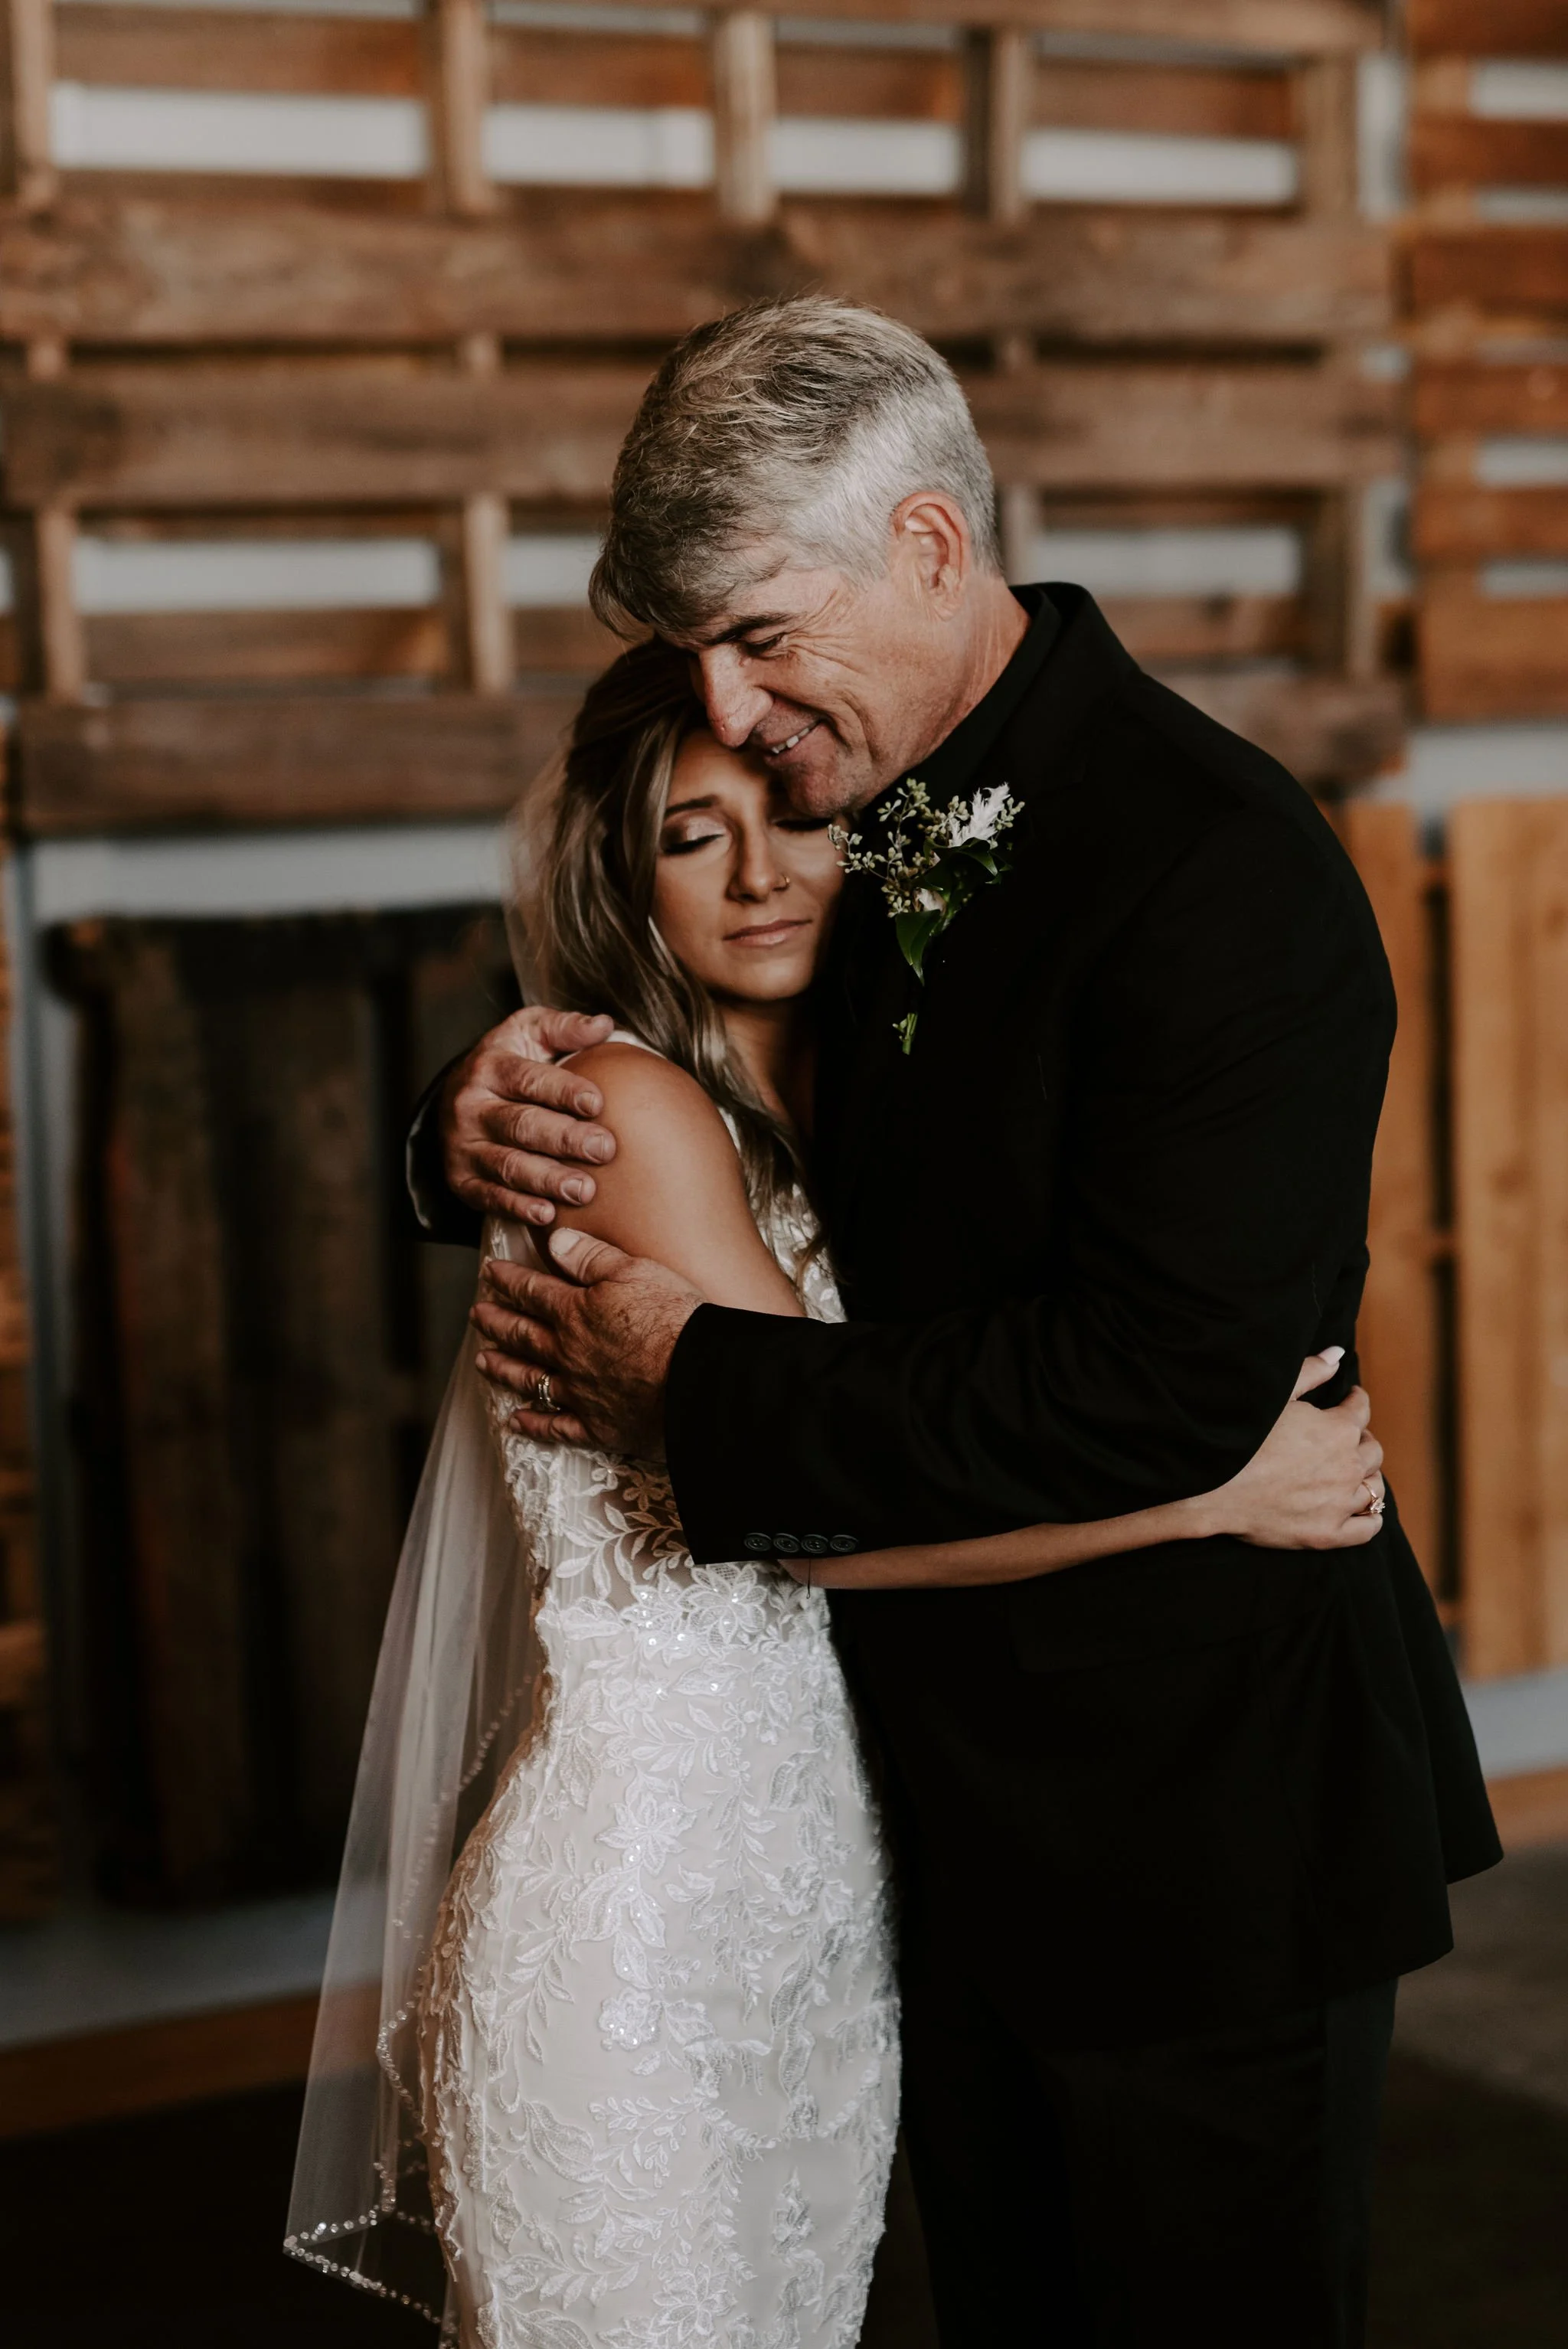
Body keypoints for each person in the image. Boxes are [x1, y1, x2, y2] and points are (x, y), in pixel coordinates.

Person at [408, 299, 1500, 2348]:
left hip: (1188, 1835)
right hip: (938, 1821)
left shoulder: (1219, 874)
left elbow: (1147, 1388)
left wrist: (690, 1379)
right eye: (695, 669)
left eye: (754, 637)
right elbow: (715, 1083)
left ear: (926, 544)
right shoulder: (876, 785)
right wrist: (457, 1132)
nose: (722, 714)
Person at [289, 643, 1387, 2349]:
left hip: (809, 1884)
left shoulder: (844, 1100)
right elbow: (827, 1522)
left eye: (791, 813)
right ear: (623, 880)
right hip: (647, 1913)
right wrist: (1208, 1492)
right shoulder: (639, 1113)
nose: (760, 871)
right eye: (687, 835)